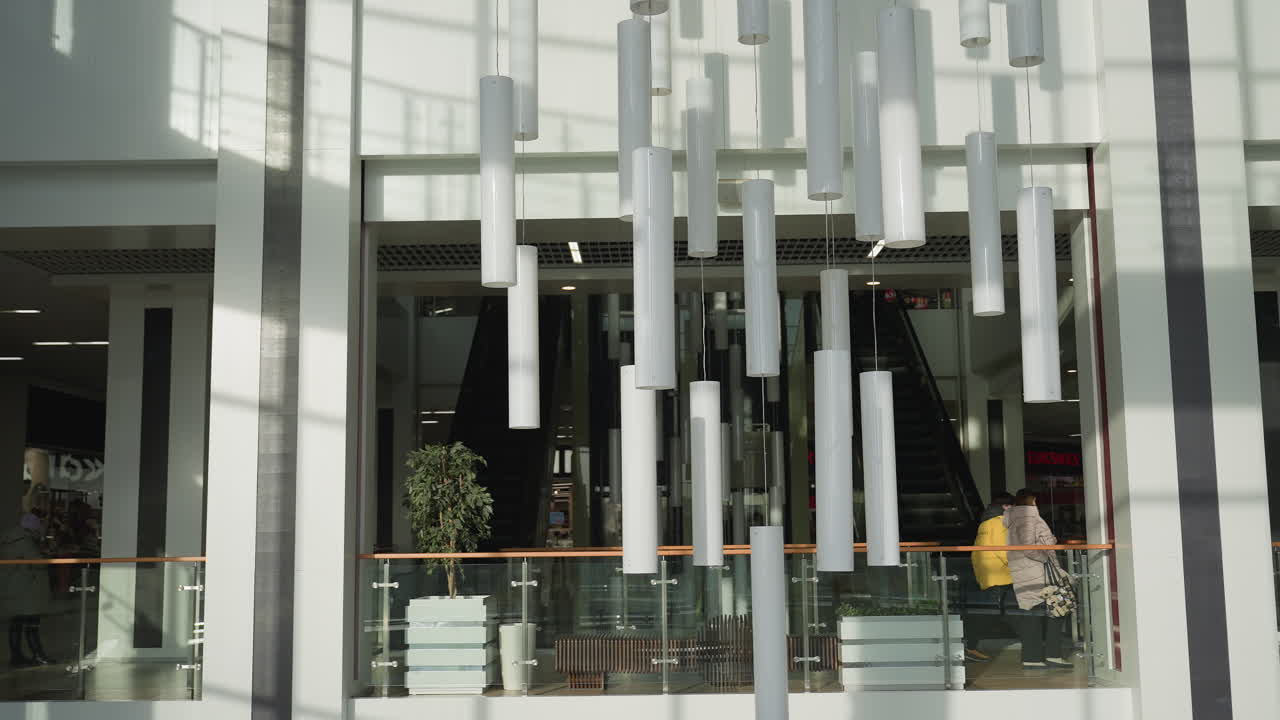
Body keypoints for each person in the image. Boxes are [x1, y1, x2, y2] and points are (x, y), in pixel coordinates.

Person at [1006, 489, 1072, 670]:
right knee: (1053, 610)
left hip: (1027, 570)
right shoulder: (1027, 517)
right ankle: (1043, 656)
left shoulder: (1016, 518)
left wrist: (1049, 540)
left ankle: (1041, 656)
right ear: (1032, 500)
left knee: (1040, 613)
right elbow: (1028, 546)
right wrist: (1046, 559)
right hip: (1037, 570)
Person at [964, 492, 1015, 663]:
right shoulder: (1000, 523)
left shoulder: (985, 523)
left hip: (988, 574)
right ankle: (970, 647)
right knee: (989, 614)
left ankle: (969, 645)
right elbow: (1004, 550)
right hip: (1001, 574)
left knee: (989, 613)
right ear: (1006, 507)